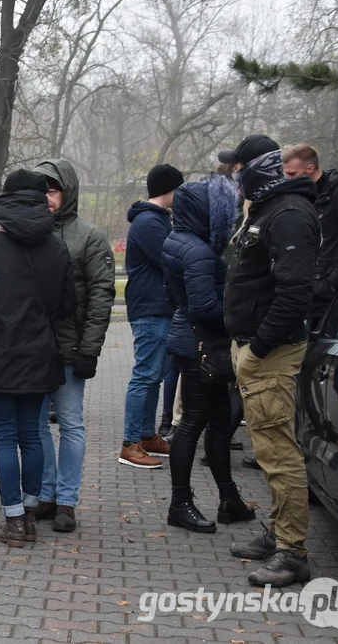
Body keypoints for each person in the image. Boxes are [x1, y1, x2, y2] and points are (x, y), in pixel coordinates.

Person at [221, 134, 319, 587]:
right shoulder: (271, 212)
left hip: (271, 352)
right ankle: (278, 534)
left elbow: (295, 293)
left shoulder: (290, 215)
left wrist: (258, 349)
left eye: (241, 170)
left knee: (279, 452)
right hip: (257, 345)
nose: (235, 177)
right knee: (267, 448)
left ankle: (291, 551)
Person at [0, 167, 74, 548]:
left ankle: (12, 520)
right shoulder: (57, 247)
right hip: (41, 354)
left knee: (5, 436)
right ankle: (28, 515)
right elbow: (66, 305)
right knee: (33, 437)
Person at [161, 175, 256, 533]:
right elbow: (204, 308)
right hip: (202, 345)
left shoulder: (179, 240)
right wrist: (243, 317)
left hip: (193, 342)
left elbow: (177, 297)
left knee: (216, 422)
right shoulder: (199, 250)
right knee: (196, 424)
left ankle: (229, 499)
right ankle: (180, 503)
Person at [30, 158, 115, 532]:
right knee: (34, 427)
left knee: (71, 424)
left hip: (70, 350)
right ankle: (46, 494)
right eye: (41, 190)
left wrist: (89, 350)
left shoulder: (90, 236)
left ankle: (67, 500)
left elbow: (101, 295)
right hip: (32, 351)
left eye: (52, 189)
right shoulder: (27, 232)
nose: (46, 198)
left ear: (67, 192)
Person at [120, 164, 184, 469]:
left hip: (161, 307)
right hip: (150, 308)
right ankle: (130, 443)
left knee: (155, 375)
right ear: (170, 189)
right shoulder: (149, 223)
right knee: (145, 375)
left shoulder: (159, 220)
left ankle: (146, 436)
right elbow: (171, 259)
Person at [282, 143, 338, 322]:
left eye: (292, 173)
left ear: (310, 168)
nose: (287, 179)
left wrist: (334, 281)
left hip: (331, 292)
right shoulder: (302, 196)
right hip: (307, 288)